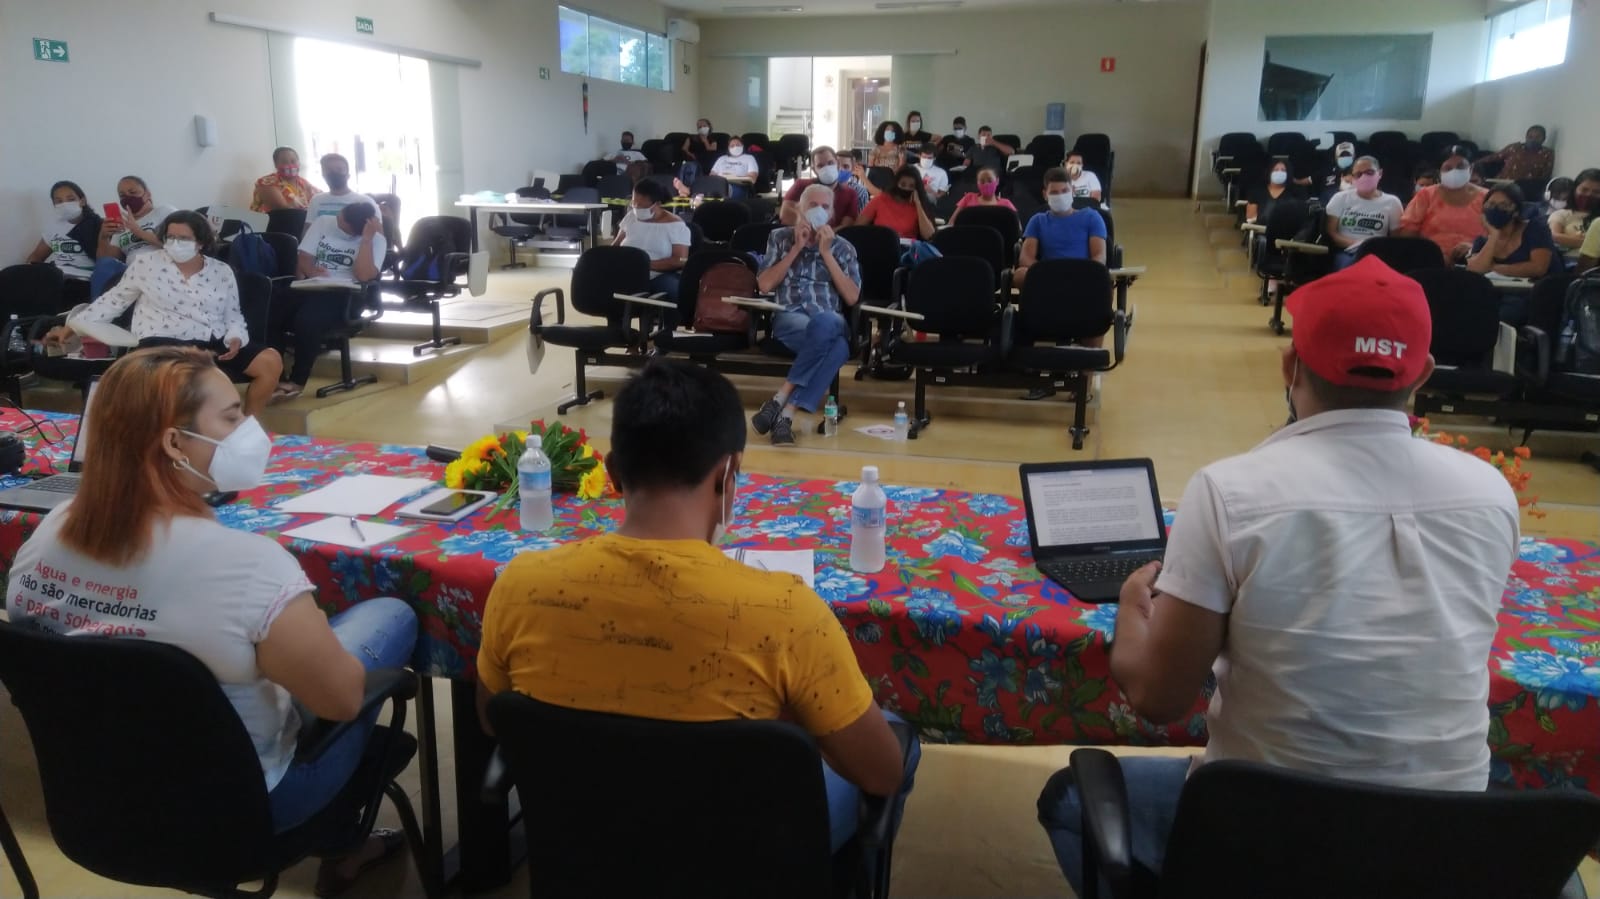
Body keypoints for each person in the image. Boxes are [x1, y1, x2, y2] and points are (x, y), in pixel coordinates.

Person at [1036, 257, 1519, 895]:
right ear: (1423, 375)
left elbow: (1160, 699)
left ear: (1290, 366)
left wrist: (1132, 607)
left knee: (1071, 799)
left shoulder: (1233, 491)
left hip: (1269, 838)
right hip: (1441, 844)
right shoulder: (1490, 492)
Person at [6, 346, 419, 893]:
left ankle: (345, 839)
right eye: (231, 416)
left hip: (95, 808)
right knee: (389, 615)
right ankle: (343, 833)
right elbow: (341, 702)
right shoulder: (251, 566)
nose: (249, 427)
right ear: (174, 443)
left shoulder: (49, 534)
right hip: (240, 816)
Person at [476, 358, 914, 858]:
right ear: (730, 473)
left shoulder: (521, 586)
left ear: (614, 472)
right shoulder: (787, 613)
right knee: (897, 745)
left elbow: (493, 719)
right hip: (741, 859)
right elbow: (881, 773)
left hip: (590, 849)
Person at [46, 212, 285, 417]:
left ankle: (246, 427)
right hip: (161, 341)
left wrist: (235, 337)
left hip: (211, 340)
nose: (175, 243)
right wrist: (74, 326)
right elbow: (114, 300)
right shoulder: (146, 263)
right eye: (170, 237)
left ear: (201, 242)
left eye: (183, 238)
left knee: (270, 361)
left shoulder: (221, 271)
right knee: (183, 381)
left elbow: (233, 314)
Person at [752, 184, 862, 446]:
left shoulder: (844, 248)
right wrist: (796, 249)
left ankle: (780, 402)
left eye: (825, 207)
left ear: (832, 213)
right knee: (838, 349)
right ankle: (786, 416)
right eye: (813, 205)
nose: (819, 211)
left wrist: (826, 252)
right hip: (790, 318)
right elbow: (765, 285)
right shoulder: (779, 238)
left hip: (828, 319)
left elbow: (852, 297)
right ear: (800, 208)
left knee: (828, 322)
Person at [275, 203, 386, 400]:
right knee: (271, 310)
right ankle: (275, 375)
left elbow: (363, 275)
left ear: (356, 229)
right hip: (312, 286)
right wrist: (310, 271)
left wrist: (366, 240)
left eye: (342, 222)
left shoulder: (377, 241)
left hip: (347, 296)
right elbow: (304, 256)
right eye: (339, 216)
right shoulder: (324, 222)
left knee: (307, 320)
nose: (337, 221)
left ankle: (297, 381)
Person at [1014, 167, 1108, 292]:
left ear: (1072, 191)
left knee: (1102, 277)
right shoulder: (1038, 220)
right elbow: (1025, 257)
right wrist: (1048, 271)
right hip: (1048, 276)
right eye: (1054, 192)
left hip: (1082, 275)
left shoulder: (1092, 217)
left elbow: (1099, 256)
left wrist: (1081, 273)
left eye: (1064, 191)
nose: (1060, 195)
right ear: (1045, 195)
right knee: (1020, 274)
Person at [91, 175, 177, 299]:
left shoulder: (165, 211)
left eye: (132, 192)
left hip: (161, 268)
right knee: (105, 265)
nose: (127, 198)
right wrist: (103, 237)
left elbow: (178, 243)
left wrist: (139, 231)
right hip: (129, 273)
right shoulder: (122, 224)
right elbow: (105, 260)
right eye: (122, 195)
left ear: (147, 194)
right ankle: (95, 312)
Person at [1397, 146, 1486, 262]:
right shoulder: (1425, 196)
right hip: (1430, 261)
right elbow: (1407, 236)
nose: (1454, 171)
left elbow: (1499, 236)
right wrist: (1433, 254)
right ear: (1439, 172)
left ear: (1471, 168)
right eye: (1448, 168)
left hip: (1477, 261)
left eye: (1461, 167)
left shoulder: (1487, 198)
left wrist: (1475, 248)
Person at [1467, 183, 1558, 289]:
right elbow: (1474, 270)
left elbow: (1538, 268)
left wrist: (1492, 267)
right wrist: (1494, 235)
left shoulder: (1535, 229)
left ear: (1516, 211)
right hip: (1498, 294)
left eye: (1503, 205)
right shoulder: (1482, 240)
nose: (1496, 209)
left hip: (1536, 293)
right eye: (1491, 204)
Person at [26, 180, 102, 304]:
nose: (64, 204)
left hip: (83, 280)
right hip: (55, 276)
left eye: (70, 199)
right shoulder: (54, 227)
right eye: (59, 201)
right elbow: (36, 256)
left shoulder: (97, 225)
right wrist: (26, 271)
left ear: (82, 201)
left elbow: (105, 258)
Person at [613, 178, 689, 299]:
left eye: (641, 206)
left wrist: (644, 265)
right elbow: (615, 246)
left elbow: (680, 260)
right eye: (634, 203)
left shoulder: (676, 225)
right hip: (625, 271)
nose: (636, 209)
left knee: (675, 290)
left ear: (657, 204)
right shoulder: (631, 217)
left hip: (658, 275)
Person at [1323, 156, 1403, 269]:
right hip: (1346, 252)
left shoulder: (1392, 202)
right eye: (1358, 174)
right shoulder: (1340, 198)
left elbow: (1395, 240)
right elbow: (1332, 233)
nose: (1364, 177)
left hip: (1378, 254)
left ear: (1380, 173)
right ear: (1353, 177)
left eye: (1369, 172)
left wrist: (1372, 249)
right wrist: (1358, 245)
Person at [779, 147, 860, 229]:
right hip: (800, 235)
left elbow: (847, 226)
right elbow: (785, 215)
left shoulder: (850, 194)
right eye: (820, 166)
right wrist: (805, 224)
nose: (827, 168)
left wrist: (826, 234)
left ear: (838, 165)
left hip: (833, 239)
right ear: (814, 170)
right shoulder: (801, 185)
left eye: (830, 163)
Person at [856, 166, 936, 241]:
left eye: (911, 186)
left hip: (907, 251)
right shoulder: (880, 200)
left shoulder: (919, 205)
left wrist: (918, 204)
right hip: (880, 246)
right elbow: (857, 226)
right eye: (903, 184)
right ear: (896, 183)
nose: (906, 188)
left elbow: (929, 235)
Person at [304, 154, 380, 229]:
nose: (334, 173)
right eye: (328, 170)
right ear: (323, 175)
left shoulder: (365, 202)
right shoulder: (316, 200)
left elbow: (379, 237)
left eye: (339, 169)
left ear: (348, 175)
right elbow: (307, 233)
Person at [251, 147, 320, 214]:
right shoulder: (266, 181)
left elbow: (321, 198)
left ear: (299, 163)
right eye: (284, 162)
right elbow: (282, 210)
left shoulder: (303, 182)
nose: (290, 165)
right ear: (276, 165)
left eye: (293, 161)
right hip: (271, 224)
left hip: (299, 223)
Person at [1480, 125, 1555, 182]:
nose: (1533, 140)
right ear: (1526, 137)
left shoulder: (1547, 154)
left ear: (1544, 138)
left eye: (1537, 137)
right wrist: (1473, 164)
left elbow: (1545, 177)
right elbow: (1493, 157)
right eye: (1530, 136)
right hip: (1501, 182)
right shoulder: (1515, 147)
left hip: (1523, 189)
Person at [1548, 169, 1600, 251]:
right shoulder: (1561, 214)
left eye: (1596, 192)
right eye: (1584, 190)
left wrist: (1570, 240)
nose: (1589, 194)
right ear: (1575, 189)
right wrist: (1592, 243)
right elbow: (1553, 236)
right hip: (1568, 261)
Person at [948, 167, 1017, 225]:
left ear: (997, 181)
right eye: (982, 181)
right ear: (977, 183)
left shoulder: (1006, 204)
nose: (986, 184)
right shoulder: (968, 198)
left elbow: (1017, 228)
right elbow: (952, 222)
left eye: (990, 180)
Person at [1244, 160, 1304, 224]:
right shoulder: (1256, 192)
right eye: (1276, 170)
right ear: (1269, 172)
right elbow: (1250, 218)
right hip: (1261, 230)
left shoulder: (1296, 192)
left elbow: (1300, 216)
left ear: (1288, 173)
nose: (1279, 172)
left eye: (1283, 170)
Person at [680, 118, 720, 184]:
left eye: (704, 126)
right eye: (699, 126)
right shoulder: (691, 137)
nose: (702, 128)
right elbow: (684, 149)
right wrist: (690, 154)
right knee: (691, 166)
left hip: (707, 161)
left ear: (709, 127)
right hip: (693, 159)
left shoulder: (713, 139)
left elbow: (712, 151)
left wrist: (705, 141)